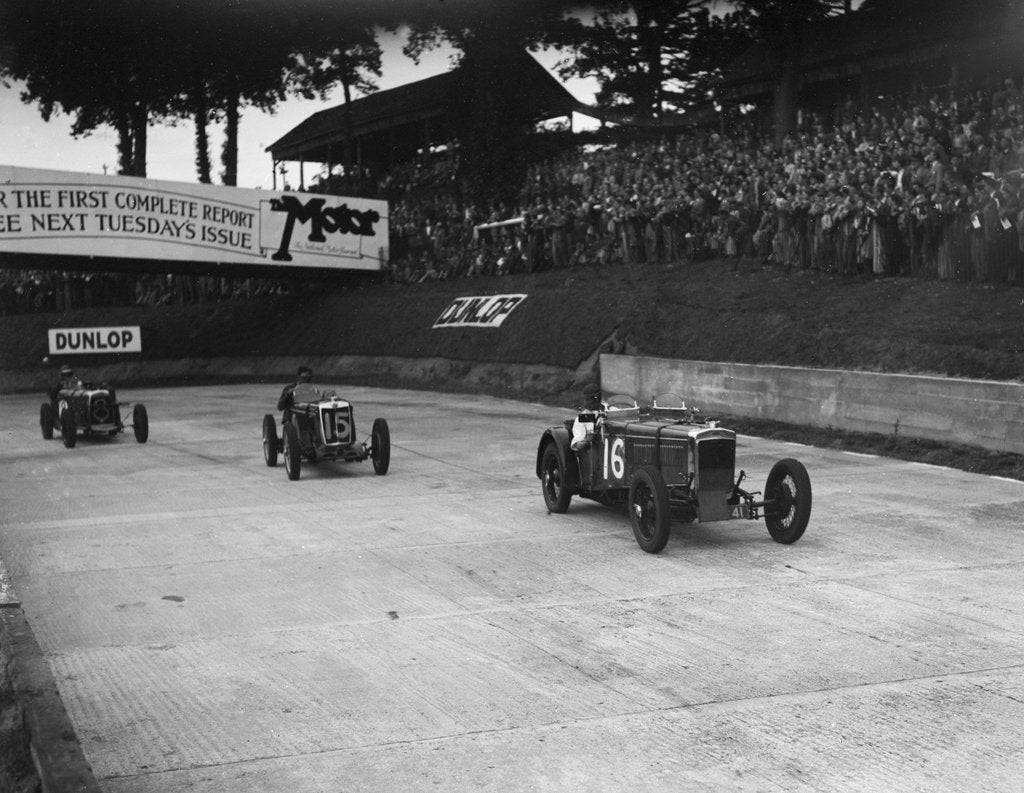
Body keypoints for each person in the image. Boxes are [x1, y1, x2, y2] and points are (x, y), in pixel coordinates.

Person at [570, 383, 604, 452]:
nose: (585, 403)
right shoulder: (584, 417)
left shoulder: (610, 410)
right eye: (584, 400)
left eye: (588, 400)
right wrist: (587, 440)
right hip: (594, 454)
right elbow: (577, 443)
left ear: (597, 399)